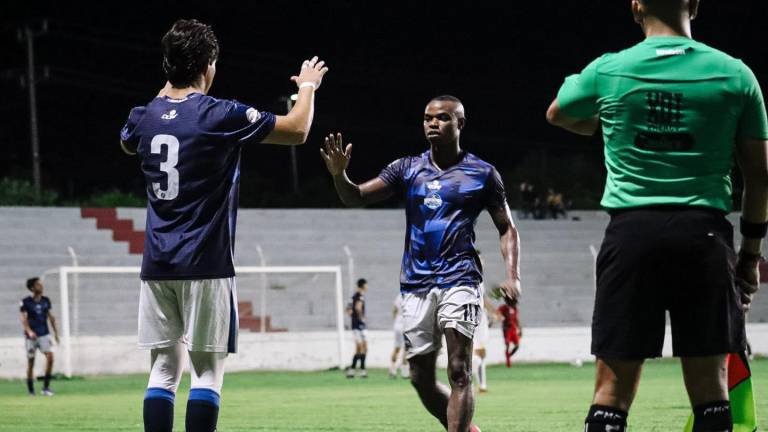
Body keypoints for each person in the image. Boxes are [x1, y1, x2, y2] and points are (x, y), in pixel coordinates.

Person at [546, 1, 768, 430]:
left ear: (635, 6)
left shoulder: (608, 69)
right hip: (704, 238)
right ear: (696, 4)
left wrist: (603, 124)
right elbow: (759, 178)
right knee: (712, 393)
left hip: (631, 237)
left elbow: (557, 113)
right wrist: (749, 256)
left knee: (610, 392)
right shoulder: (736, 75)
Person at [119, 19, 328, 432]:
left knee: (162, 370)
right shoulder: (218, 114)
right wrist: (307, 87)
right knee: (206, 374)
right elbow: (298, 130)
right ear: (209, 64)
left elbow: (128, 141)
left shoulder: (143, 116)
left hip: (157, 264)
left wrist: (165, 92)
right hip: (206, 263)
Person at [321, 95, 521, 432]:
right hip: (416, 285)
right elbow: (354, 196)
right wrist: (340, 175)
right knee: (420, 379)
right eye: (428, 117)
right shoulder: (407, 168)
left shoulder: (482, 173)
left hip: (460, 278)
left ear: (460, 124)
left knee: (459, 370)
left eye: (442, 118)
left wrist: (512, 275)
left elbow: (507, 228)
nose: (432, 123)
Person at [19, 277, 59, 396]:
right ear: (32, 288)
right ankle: (31, 391)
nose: (41, 286)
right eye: (38, 285)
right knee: (31, 362)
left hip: (44, 334)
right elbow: (23, 318)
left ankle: (45, 388)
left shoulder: (46, 300)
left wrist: (56, 333)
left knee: (50, 357)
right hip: (31, 336)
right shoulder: (26, 302)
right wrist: (29, 331)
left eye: (41, 284)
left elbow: (51, 317)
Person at [472, 287, 495, 392]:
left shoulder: (479, 281)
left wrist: (494, 313)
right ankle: (477, 384)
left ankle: (481, 385)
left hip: (480, 317)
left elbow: (483, 299)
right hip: (473, 317)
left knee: (480, 353)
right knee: (476, 354)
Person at [347, 278, 368, 378]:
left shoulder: (353, 296)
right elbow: (358, 307)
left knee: (360, 348)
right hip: (359, 325)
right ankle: (362, 371)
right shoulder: (360, 296)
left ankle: (352, 370)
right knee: (362, 348)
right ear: (363, 285)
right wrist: (361, 318)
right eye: (366, 285)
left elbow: (348, 310)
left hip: (355, 325)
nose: (367, 287)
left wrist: (352, 316)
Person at [495, 295, 521, 368]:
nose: (515, 303)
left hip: (513, 328)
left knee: (517, 345)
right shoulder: (504, 307)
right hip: (507, 328)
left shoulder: (515, 309)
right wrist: (496, 319)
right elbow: (497, 314)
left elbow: (516, 320)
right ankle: (508, 362)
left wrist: (520, 329)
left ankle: (508, 356)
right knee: (507, 345)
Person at [390, 293, 409, 379]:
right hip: (405, 324)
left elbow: (394, 310)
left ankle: (392, 370)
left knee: (396, 347)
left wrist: (395, 321)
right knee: (406, 348)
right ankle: (404, 372)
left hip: (397, 324)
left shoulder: (399, 296)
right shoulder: (410, 296)